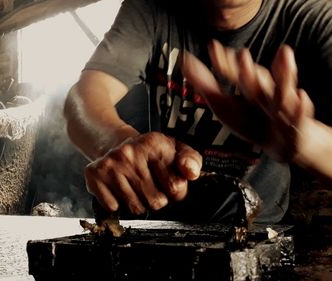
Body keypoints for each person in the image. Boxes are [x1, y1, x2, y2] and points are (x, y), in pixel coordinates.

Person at [63, 0, 332, 224]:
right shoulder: (150, 7)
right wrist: (120, 142)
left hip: (258, 231)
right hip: (161, 225)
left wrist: (305, 143)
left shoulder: (315, 16)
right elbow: (84, 96)